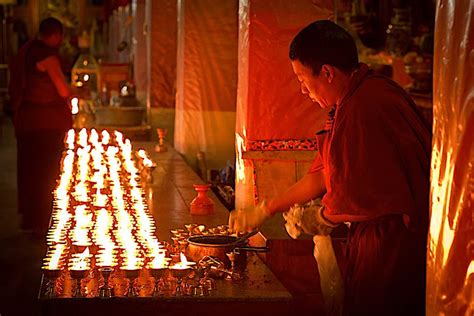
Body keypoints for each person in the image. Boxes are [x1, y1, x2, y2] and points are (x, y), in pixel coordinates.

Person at [229, 20, 431, 315]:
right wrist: (264, 209)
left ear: (326, 72)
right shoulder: (352, 101)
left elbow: (362, 200)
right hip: (376, 236)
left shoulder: (366, 106)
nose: (302, 90)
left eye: (302, 78)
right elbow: (322, 174)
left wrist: (320, 217)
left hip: (390, 243)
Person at [9, 17, 73, 237]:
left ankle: (31, 218)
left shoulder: (26, 51)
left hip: (27, 121)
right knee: (46, 172)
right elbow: (63, 91)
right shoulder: (47, 56)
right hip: (46, 123)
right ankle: (42, 220)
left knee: (29, 171)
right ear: (56, 35)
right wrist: (77, 91)